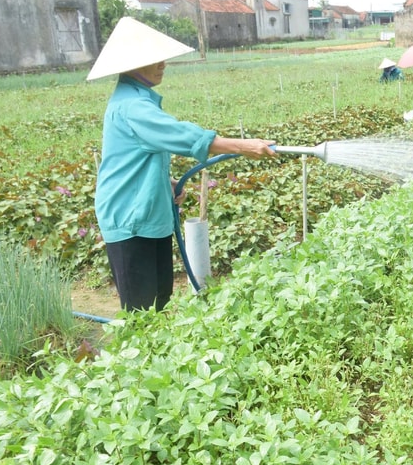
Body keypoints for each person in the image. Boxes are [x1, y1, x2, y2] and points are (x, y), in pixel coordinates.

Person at [86, 17, 276, 312]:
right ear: (132, 64)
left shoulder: (137, 99)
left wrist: (166, 181)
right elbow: (180, 134)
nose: (163, 64)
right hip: (129, 217)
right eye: (154, 59)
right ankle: (139, 357)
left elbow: (140, 154)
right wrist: (242, 145)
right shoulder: (132, 107)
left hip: (146, 209)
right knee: (141, 310)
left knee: (159, 299)